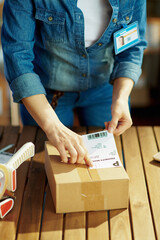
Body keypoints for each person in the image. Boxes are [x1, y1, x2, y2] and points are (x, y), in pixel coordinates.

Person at [1, 0, 147, 166]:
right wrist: (52, 127)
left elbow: (132, 48)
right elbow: (17, 57)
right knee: (43, 168)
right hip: (45, 94)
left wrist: (121, 97)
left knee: (106, 166)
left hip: (105, 90)